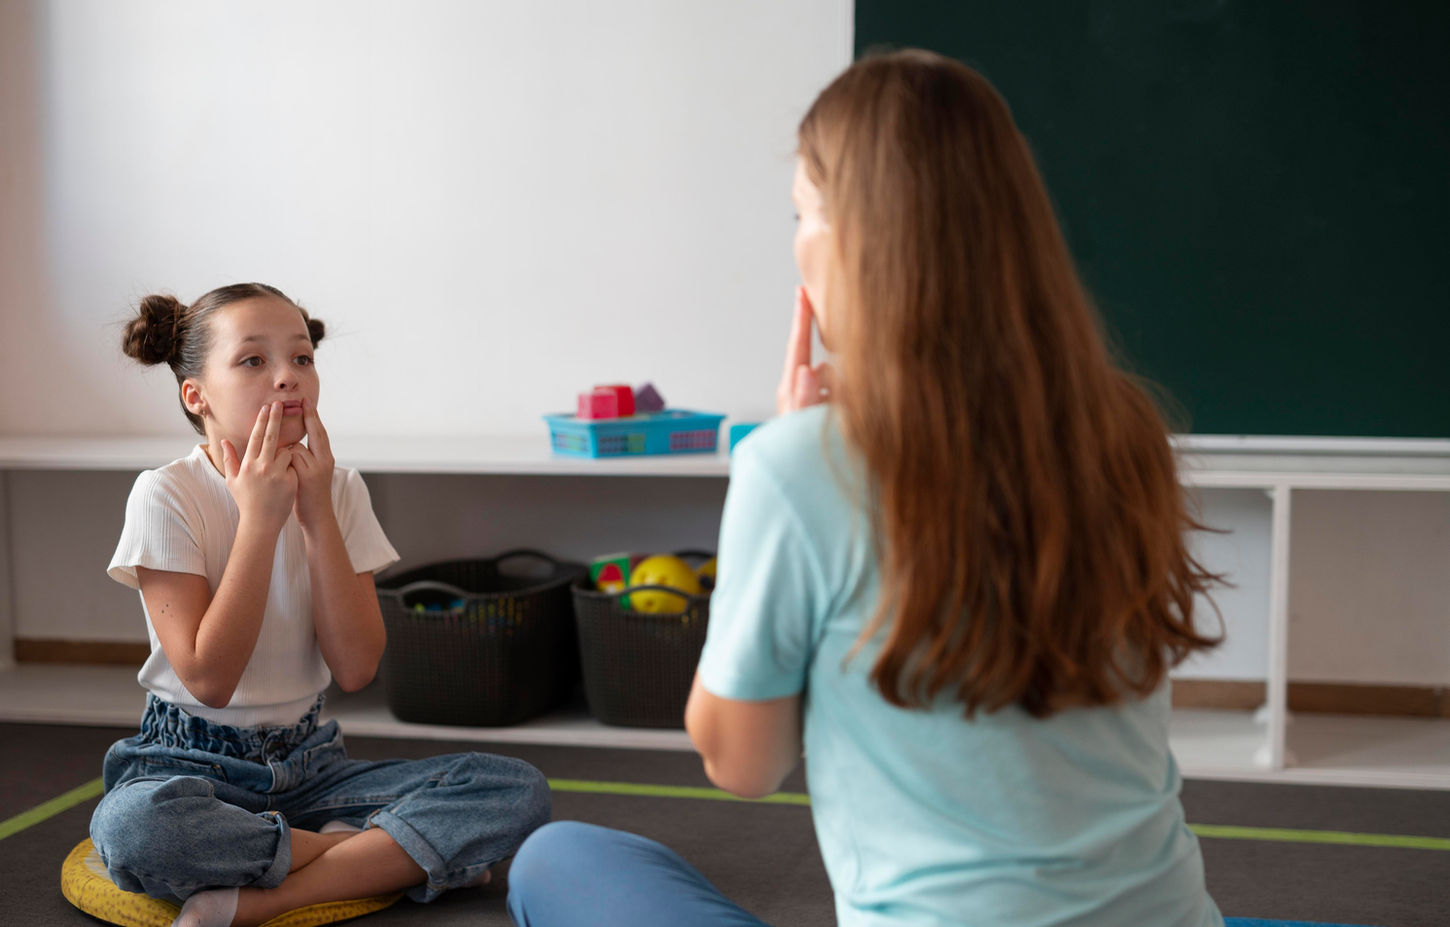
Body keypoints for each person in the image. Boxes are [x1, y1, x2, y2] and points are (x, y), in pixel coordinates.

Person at [506, 49, 1227, 927]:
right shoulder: (1124, 433)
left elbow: (743, 764)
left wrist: (772, 476)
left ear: (854, 241)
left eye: (803, 211)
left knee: (557, 857)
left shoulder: (800, 465)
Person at [91, 282, 551, 927]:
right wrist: (259, 521)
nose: (288, 379)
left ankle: (275, 893)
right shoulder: (165, 493)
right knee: (141, 831)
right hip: (188, 764)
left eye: (301, 359)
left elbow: (358, 668)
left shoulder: (339, 489)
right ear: (196, 394)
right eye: (254, 361)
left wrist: (315, 517)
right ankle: (356, 852)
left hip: (312, 765)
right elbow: (210, 678)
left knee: (513, 787)